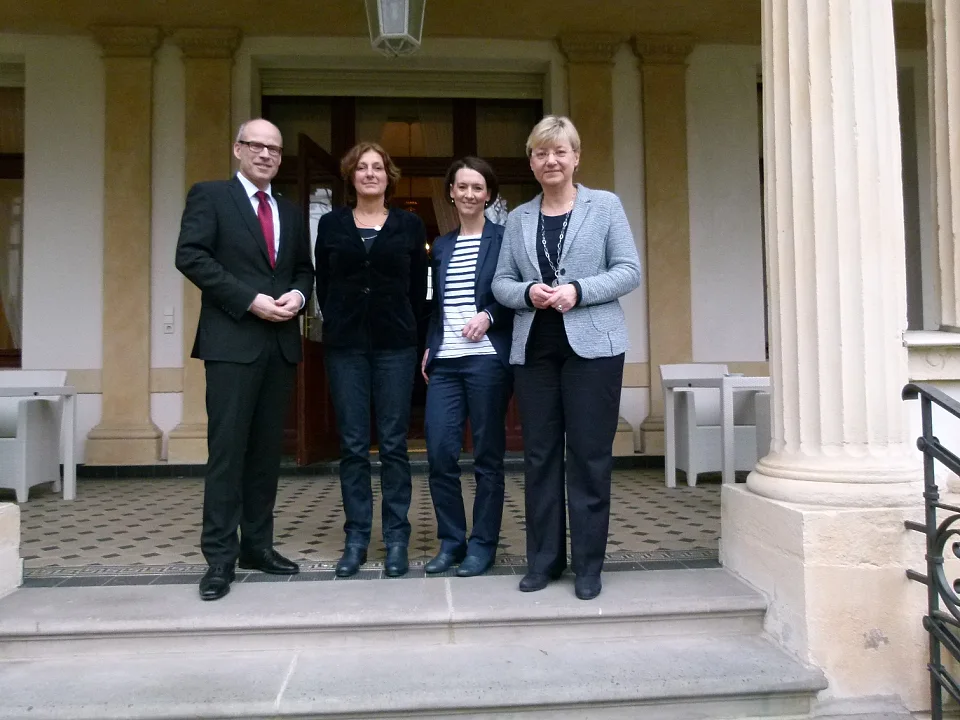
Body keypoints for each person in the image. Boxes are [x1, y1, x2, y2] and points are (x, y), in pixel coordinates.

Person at [492, 115, 641, 600]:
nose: (551, 160)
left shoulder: (605, 206)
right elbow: (501, 283)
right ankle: (544, 560)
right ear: (531, 162)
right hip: (534, 350)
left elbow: (628, 271)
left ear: (576, 157)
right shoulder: (517, 218)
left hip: (593, 349)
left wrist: (578, 290)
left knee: (590, 456)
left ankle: (589, 566)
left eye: (560, 151)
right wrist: (526, 292)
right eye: (541, 152)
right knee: (539, 457)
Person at [175, 118, 314, 601]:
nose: (266, 155)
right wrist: (249, 299)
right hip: (232, 342)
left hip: (278, 345)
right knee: (228, 453)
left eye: (274, 148)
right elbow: (190, 256)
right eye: (256, 146)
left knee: (264, 455)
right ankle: (219, 559)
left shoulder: (291, 212)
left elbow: (302, 268)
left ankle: (258, 546)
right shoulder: (210, 196)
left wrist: (297, 296)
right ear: (238, 149)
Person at [315, 141, 427, 579]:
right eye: (361, 167)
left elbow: (418, 287)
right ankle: (357, 538)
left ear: (388, 176)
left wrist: (406, 327)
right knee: (354, 446)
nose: (369, 173)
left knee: (395, 445)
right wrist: (342, 317)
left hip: (395, 345)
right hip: (345, 347)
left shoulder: (410, 225)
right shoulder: (331, 224)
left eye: (377, 167)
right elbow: (325, 283)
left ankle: (396, 538)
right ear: (351, 176)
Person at [421, 157, 513, 578]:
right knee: (439, 453)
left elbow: (515, 293)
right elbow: (434, 305)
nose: (470, 194)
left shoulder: (505, 239)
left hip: (487, 361)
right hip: (446, 362)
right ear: (452, 193)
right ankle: (452, 541)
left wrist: (489, 316)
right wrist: (430, 345)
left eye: (478, 187)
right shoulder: (441, 245)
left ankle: (483, 546)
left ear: (489, 194)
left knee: (487, 458)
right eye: (462, 187)